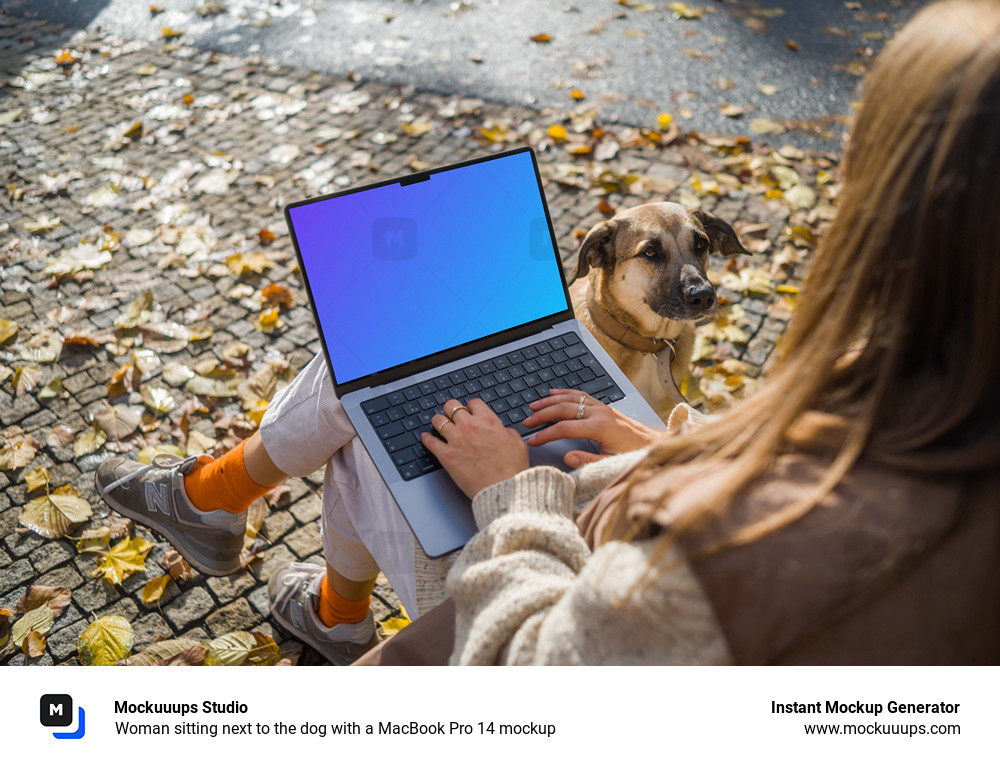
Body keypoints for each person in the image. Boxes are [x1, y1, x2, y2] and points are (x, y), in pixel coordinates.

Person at [99, 0, 1000, 665]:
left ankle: (235, 515)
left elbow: (537, 679)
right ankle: (284, 565)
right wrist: (657, 444)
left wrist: (512, 491)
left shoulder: (760, 542)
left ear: (885, 215)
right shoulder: (915, 434)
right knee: (380, 384)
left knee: (365, 395)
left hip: (524, 588)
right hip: (620, 471)